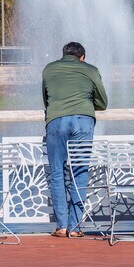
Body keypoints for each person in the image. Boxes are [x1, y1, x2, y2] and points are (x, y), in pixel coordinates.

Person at [42, 42, 108, 238]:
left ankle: (61, 226)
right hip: (83, 121)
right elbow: (102, 102)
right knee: (79, 171)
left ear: (63, 55)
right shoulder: (91, 70)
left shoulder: (49, 69)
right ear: (82, 57)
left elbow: (45, 99)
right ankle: (75, 226)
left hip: (55, 121)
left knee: (56, 171)